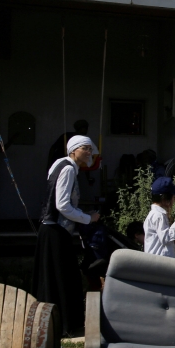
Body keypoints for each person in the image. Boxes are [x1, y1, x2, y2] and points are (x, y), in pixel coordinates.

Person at [33, 135, 100, 335]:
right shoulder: (69, 168)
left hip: (50, 230)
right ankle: (64, 325)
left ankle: (50, 324)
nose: (89, 153)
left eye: (90, 149)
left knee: (52, 278)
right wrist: (88, 218)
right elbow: (62, 204)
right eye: (85, 149)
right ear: (73, 150)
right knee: (63, 278)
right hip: (56, 231)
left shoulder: (59, 164)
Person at [145, 176, 175, 258]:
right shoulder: (158, 215)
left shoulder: (156, 214)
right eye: (173, 197)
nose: (174, 200)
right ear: (166, 198)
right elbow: (165, 238)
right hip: (159, 263)